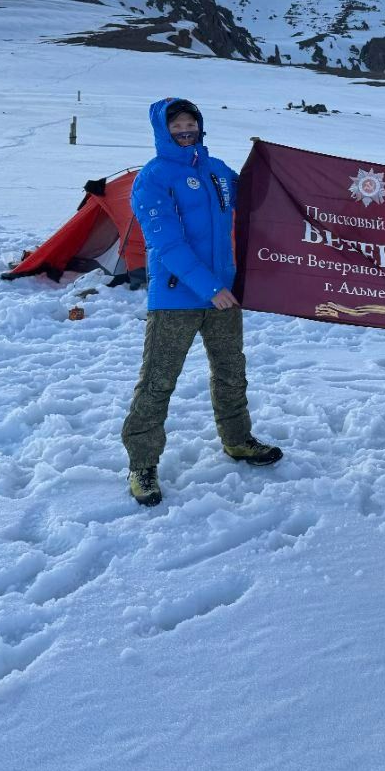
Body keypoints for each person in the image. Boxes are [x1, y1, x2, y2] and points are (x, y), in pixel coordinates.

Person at [121, 98, 282, 506]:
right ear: (163, 129)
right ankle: (142, 464)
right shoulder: (153, 178)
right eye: (177, 123)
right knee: (158, 381)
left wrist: (269, 163)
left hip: (223, 295)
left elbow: (255, 197)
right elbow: (166, 243)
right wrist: (209, 286)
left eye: (191, 121)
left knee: (231, 372)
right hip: (177, 297)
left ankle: (238, 439)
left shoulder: (216, 171)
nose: (185, 128)